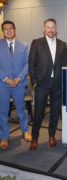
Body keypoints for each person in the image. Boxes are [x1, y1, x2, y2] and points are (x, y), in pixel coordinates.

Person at [28, 18, 67, 150]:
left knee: (55, 112)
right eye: (48, 27)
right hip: (42, 84)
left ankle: (51, 136)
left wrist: (63, 82)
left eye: (53, 27)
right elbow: (31, 63)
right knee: (38, 112)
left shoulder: (63, 44)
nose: (50, 30)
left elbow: (64, 65)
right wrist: (34, 82)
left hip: (57, 84)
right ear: (44, 29)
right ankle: (34, 138)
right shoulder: (37, 43)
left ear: (56, 29)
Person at [0, 20, 32, 150]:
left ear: (15, 29)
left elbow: (28, 64)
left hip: (19, 84)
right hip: (3, 85)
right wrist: (5, 78)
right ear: (3, 31)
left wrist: (19, 78)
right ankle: (4, 137)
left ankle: (25, 131)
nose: (8, 30)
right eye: (5, 29)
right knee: (2, 112)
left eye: (11, 28)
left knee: (21, 109)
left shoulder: (24, 45)